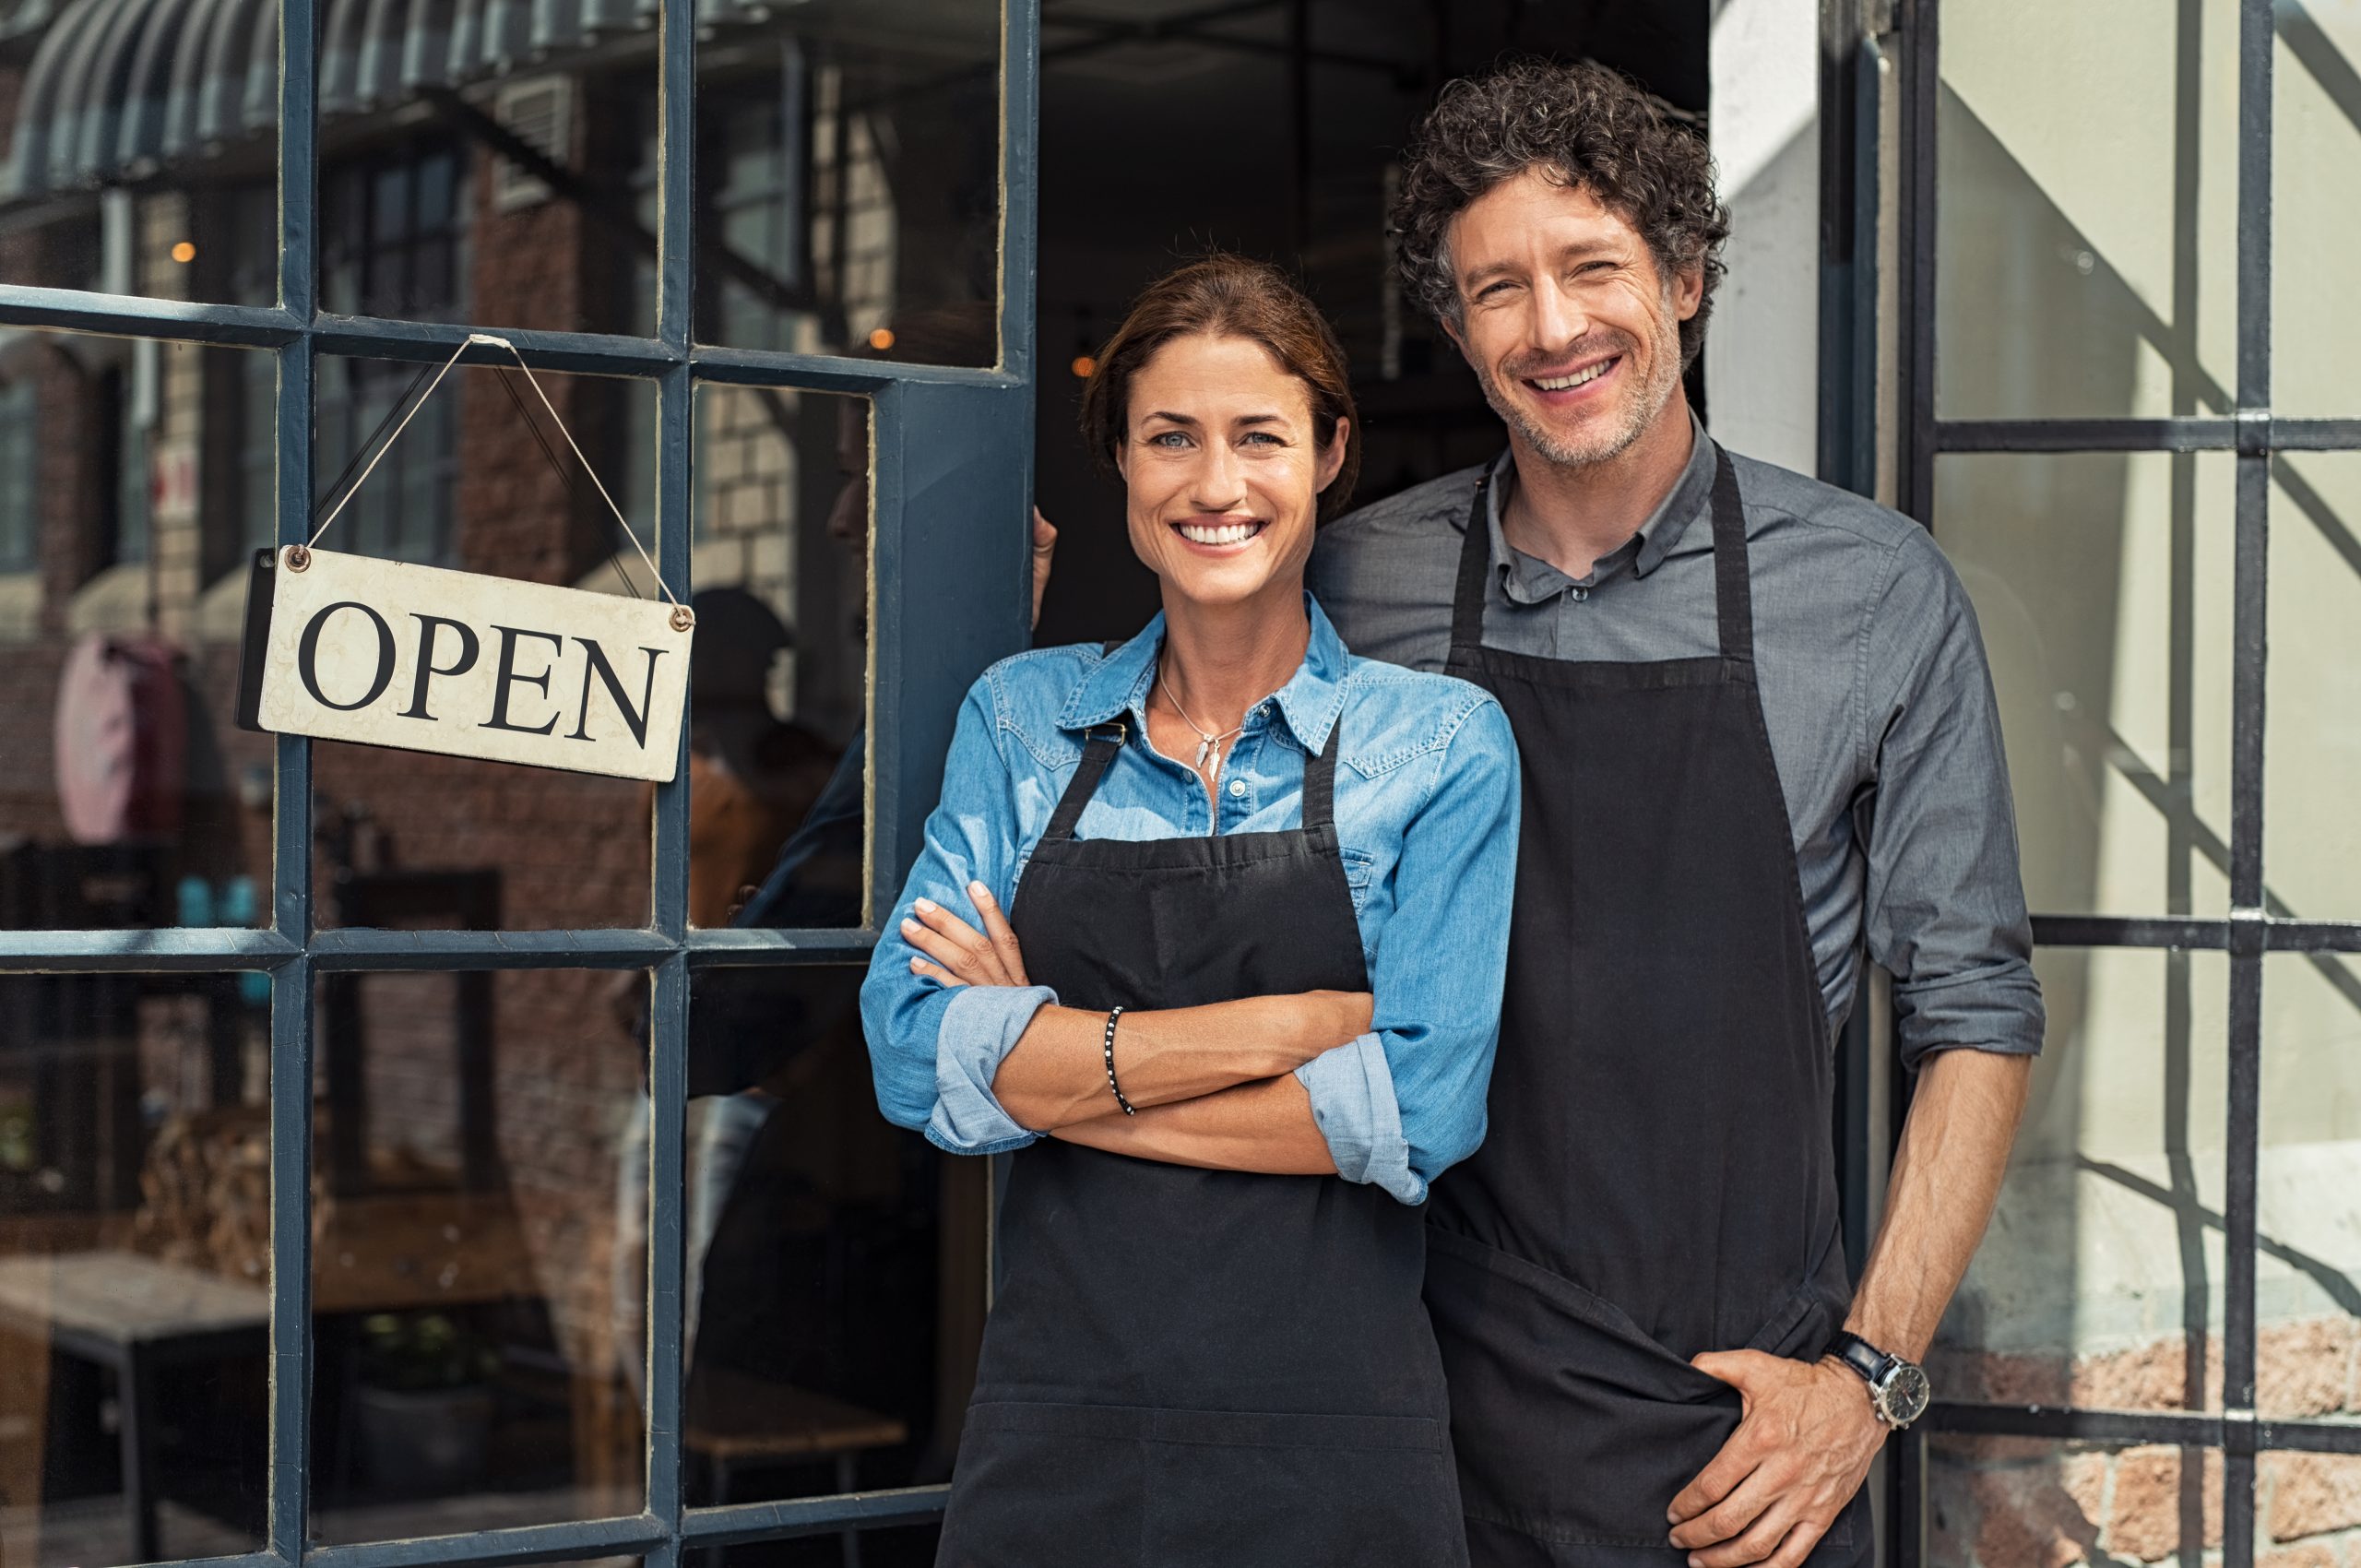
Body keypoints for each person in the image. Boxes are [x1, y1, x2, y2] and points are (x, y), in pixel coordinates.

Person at [1307, 60, 2044, 1568]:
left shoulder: (1872, 591)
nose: (1553, 326)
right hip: (1407, 1386)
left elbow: (1974, 1011)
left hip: (1741, 1432)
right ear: (1455, 327)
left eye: (1593, 267)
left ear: (1688, 277)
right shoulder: (1351, 584)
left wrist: (1869, 1380)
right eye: (1497, 287)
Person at [860, 254, 1520, 1567]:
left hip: (1335, 1445)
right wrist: (1291, 1028)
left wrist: (1051, 1073)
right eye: (1170, 438)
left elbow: (1424, 1113)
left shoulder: (1440, 745)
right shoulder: (1024, 719)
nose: (1215, 485)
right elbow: (905, 1052)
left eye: (1259, 437)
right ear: (1121, 463)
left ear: (1330, 453)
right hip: (1062, 1430)